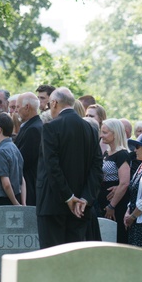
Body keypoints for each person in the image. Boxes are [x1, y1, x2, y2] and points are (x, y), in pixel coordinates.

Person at [36, 87, 102, 248]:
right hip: (81, 207)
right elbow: (97, 168)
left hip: (53, 204)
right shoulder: (90, 129)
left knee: (52, 259)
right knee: (74, 260)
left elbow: (52, 167)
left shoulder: (51, 127)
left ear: (54, 103)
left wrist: (68, 197)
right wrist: (85, 198)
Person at [99, 118, 131, 245]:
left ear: (115, 133)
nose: (101, 136)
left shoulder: (122, 154)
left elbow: (124, 183)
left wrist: (112, 205)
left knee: (117, 237)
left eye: (105, 133)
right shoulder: (107, 152)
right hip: (104, 200)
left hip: (116, 204)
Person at [0, 113, 25, 206]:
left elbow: (6, 183)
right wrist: (23, 203)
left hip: (2, 201)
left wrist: (15, 204)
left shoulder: (1, 152)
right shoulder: (15, 148)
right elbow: (22, 179)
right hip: (16, 196)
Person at [14, 92, 42, 207]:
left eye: (17, 106)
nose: (16, 110)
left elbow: (23, 160)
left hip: (29, 186)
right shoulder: (30, 126)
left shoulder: (34, 129)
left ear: (27, 107)